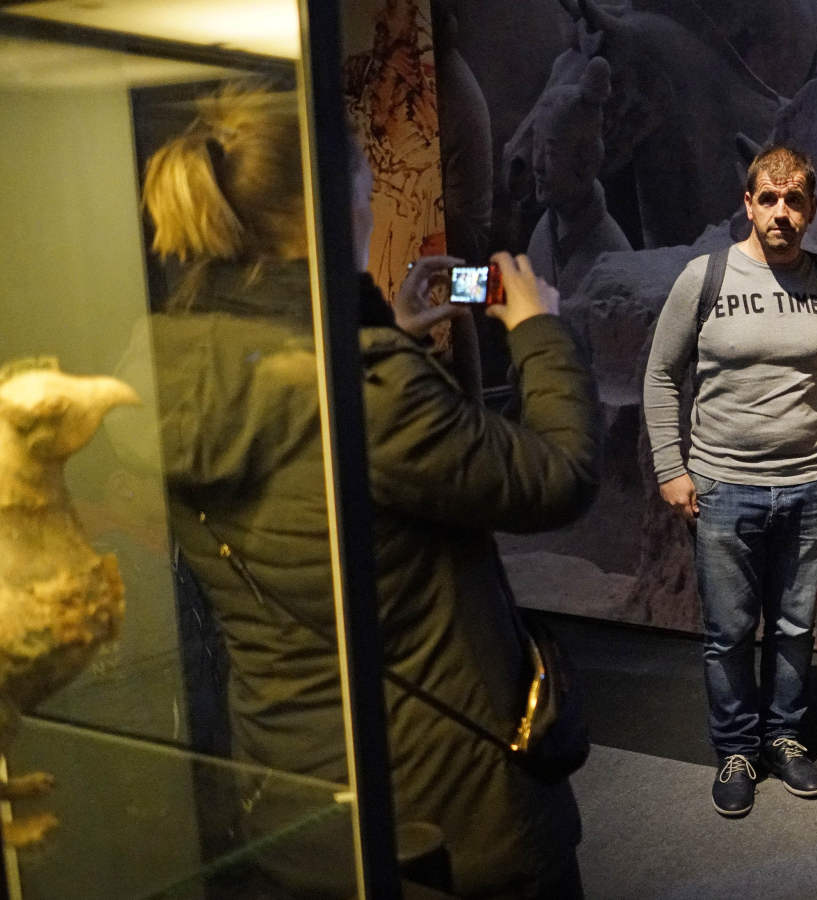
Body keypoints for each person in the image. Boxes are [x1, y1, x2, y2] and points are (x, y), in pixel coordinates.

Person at [138, 88, 596, 897]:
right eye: (365, 193)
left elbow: (307, 433)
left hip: (298, 792)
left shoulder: (164, 369)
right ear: (326, 210)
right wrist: (537, 329)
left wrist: (390, 333)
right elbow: (557, 480)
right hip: (446, 811)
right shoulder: (368, 391)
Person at [642, 144, 817, 817]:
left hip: (806, 487)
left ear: (812, 207)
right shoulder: (703, 277)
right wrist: (670, 467)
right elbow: (659, 375)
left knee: (796, 628)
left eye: (795, 201)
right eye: (769, 198)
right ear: (748, 203)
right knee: (730, 632)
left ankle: (786, 738)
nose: (782, 212)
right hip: (724, 486)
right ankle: (737, 748)